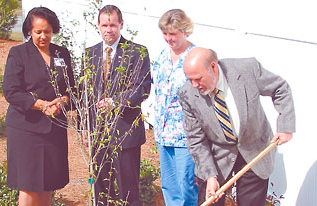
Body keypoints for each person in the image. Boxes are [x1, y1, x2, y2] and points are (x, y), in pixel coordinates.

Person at [178, 47, 295, 205]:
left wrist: (285, 125)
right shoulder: (188, 95)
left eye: (198, 78)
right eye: (189, 79)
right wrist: (210, 176)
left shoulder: (247, 70)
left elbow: (280, 88)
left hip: (254, 150)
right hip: (216, 156)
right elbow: (196, 140)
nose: (194, 85)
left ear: (213, 67)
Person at [2, 7, 74, 206]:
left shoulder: (62, 53)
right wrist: (41, 105)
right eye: (38, 31)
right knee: (29, 185)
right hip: (26, 129)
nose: (43, 36)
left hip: (54, 129)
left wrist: (62, 101)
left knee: (48, 184)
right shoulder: (18, 54)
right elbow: (11, 91)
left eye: (48, 31)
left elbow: (72, 89)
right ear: (29, 31)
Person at [82, 5, 151, 205]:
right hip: (97, 134)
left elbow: (142, 88)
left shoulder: (137, 52)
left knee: (127, 191)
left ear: (121, 25)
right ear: (98, 25)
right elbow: (84, 93)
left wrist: (115, 102)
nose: (108, 29)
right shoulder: (90, 54)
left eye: (113, 25)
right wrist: (85, 128)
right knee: (101, 189)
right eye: (104, 25)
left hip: (125, 132)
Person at [152, 9, 198, 205]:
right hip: (163, 133)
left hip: (186, 135)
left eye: (173, 34)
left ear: (185, 30)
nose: (168, 38)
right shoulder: (162, 56)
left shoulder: (195, 57)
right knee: (169, 186)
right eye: (165, 33)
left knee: (187, 185)